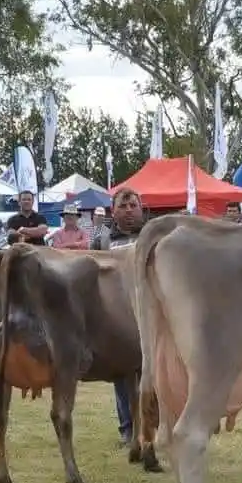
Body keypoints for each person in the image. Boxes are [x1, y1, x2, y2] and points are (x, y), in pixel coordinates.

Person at [92, 187, 146, 445]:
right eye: (123, 207)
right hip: (116, 317)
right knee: (122, 375)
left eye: (133, 206)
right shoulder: (101, 241)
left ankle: (151, 426)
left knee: (152, 374)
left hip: (148, 314)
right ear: (113, 211)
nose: (129, 211)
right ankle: (127, 428)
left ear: (141, 209)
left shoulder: (152, 235)